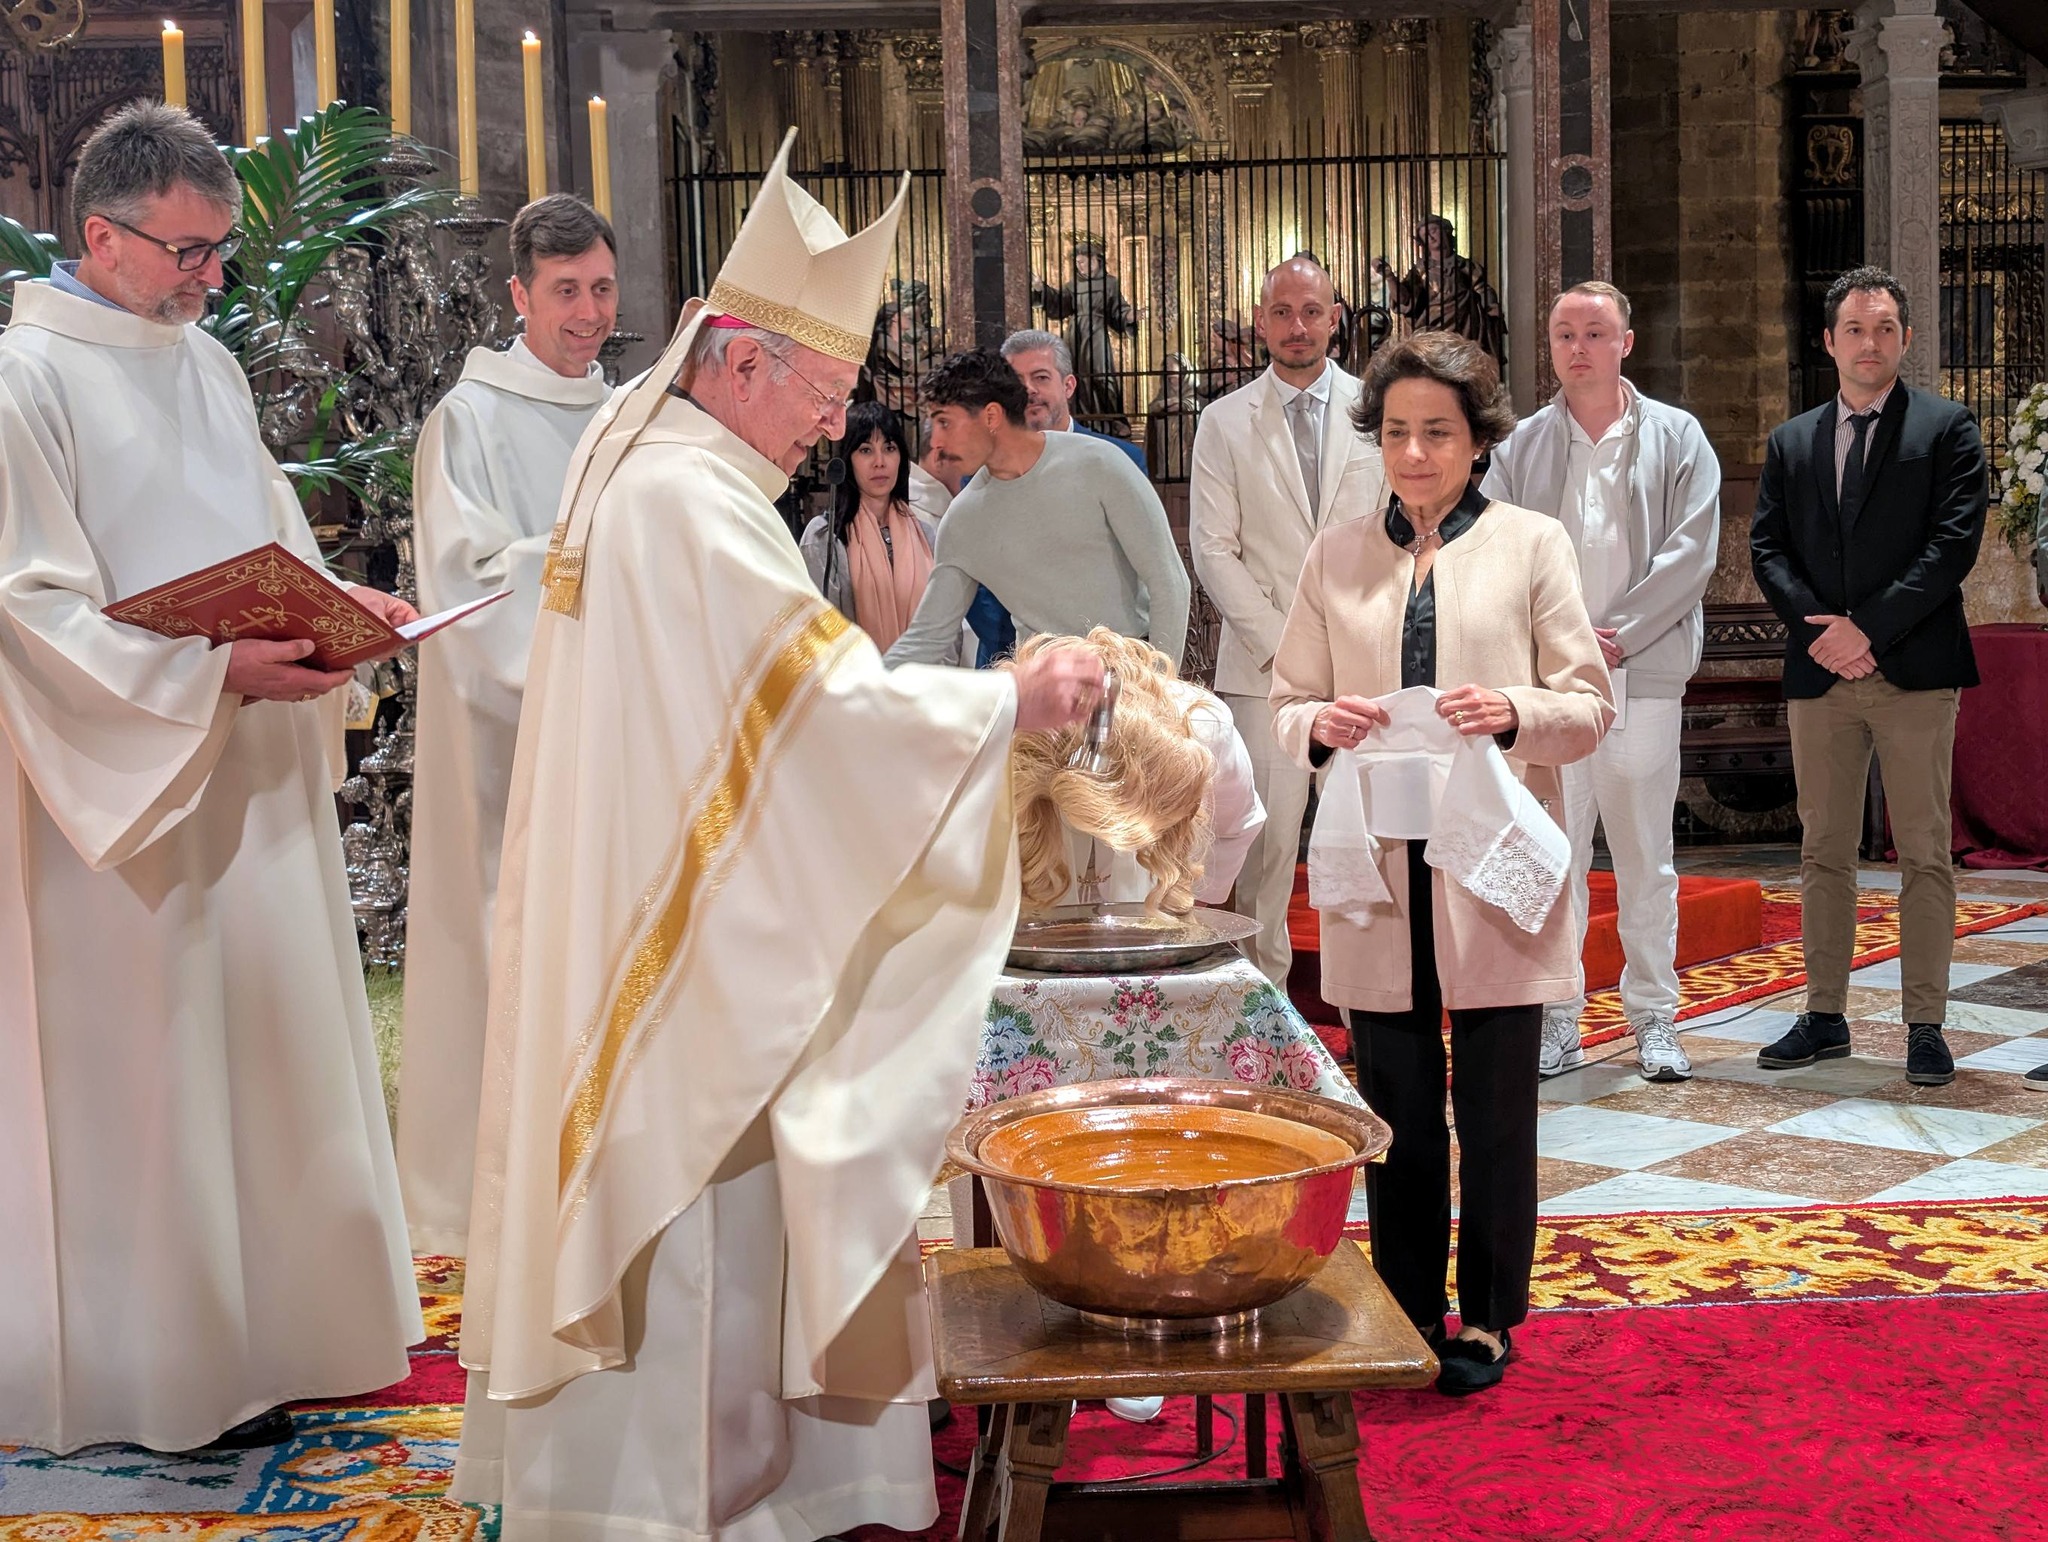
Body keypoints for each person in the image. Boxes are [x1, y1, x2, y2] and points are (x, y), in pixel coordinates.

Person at [450, 130, 1104, 1542]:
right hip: (689, 949)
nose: (828, 426)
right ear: (739, 360)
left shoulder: (640, 456)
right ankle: (683, 1504)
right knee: (706, 1233)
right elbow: (821, 719)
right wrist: (1008, 698)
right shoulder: (692, 502)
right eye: (817, 394)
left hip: (641, 896)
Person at [0, 102, 422, 1453]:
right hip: (123, 803)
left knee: (270, 1053)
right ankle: (165, 1372)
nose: (213, 276)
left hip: (247, 773)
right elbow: (27, 613)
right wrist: (201, 676)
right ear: (101, 235)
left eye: (220, 248)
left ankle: (283, 1332)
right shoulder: (25, 383)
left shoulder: (209, 365)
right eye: (188, 251)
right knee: (161, 1075)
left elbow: (266, 538)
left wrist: (335, 608)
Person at [1270, 331, 1609, 1395]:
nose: (1414, 453)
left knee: (1497, 1109)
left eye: (1438, 433)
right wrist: (1318, 723)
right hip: (1375, 863)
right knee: (1400, 1106)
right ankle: (1408, 1306)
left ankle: (1490, 1318)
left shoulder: (1530, 544)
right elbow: (1285, 704)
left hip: (1487, 858)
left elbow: (1587, 706)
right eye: (1397, 433)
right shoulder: (1334, 555)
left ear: (1477, 442)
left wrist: (1510, 709)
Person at [399, 194, 617, 1257]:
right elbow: (470, 588)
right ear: (519, 295)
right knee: (515, 948)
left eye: (602, 289)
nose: (588, 314)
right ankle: (507, 1201)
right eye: (565, 291)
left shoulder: (630, 417)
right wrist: (609, 568)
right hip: (512, 744)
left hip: (618, 738)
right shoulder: (469, 419)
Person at [1750, 266, 1988, 1087]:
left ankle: (1925, 1024)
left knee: (1924, 850)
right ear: (1829, 341)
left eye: (1885, 328)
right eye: (1854, 328)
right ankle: (1824, 1015)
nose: (1870, 342)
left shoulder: (1946, 428)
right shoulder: (1791, 441)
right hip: (1822, 674)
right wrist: (1824, 635)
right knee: (1823, 849)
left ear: (1906, 338)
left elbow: (1952, 546)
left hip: (1914, 670)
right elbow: (1768, 550)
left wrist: (1869, 630)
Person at [1482, 281, 1722, 1083]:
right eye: (1564, 334)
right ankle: (1558, 1019)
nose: (1578, 347)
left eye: (1594, 332)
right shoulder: (1520, 447)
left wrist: (1617, 635)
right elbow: (1493, 552)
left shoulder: (1677, 437)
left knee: (1645, 855)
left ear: (1626, 342)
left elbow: (1692, 553)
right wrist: (1563, 646)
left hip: (1639, 674)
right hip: (1552, 687)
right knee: (1554, 857)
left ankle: (1655, 1018)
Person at [1190, 254, 1388, 984]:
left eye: (1310, 311)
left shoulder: (1377, 411)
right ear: (1260, 322)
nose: (1296, 326)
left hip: (1364, 669)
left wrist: (1357, 640)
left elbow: (1398, 530)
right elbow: (1213, 549)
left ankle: (1367, 1003)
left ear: (1335, 318)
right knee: (1263, 854)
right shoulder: (1222, 421)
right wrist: (1289, 650)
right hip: (1262, 674)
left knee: (1366, 848)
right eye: (1281, 312)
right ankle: (1262, 1008)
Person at [883, 349, 1190, 670]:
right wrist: (860, 690)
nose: (936, 442)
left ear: (991, 417)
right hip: (1043, 685)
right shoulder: (962, 520)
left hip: (1131, 671)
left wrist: (1158, 684)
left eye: (945, 422)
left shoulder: (1098, 463)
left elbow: (1168, 580)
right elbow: (927, 638)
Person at [1009, 627, 1263, 915]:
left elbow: (1236, 825)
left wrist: (1195, 895)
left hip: (1159, 873)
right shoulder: (1007, 739)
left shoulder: (1205, 732)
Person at [800, 400, 948, 655]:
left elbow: (946, 626)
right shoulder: (824, 536)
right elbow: (819, 631)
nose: (880, 462)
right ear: (847, 459)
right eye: (866, 450)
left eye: (889, 448)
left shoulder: (926, 534)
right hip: (856, 676)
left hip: (927, 676)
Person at [1001, 326, 1148, 473]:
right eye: (1016, 381)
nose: (1028, 389)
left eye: (1041, 377)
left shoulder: (1121, 459)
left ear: (1068, 386)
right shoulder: (993, 464)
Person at [1034, 236, 1138, 436]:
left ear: (1095, 260)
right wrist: (1042, 289)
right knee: (1077, 376)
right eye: (1077, 263)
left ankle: (1113, 419)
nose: (1079, 266)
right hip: (1075, 334)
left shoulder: (1110, 283)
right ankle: (1081, 420)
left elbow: (1118, 309)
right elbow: (1060, 305)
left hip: (1097, 333)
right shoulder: (1073, 285)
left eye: (1082, 261)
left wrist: (1128, 316)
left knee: (1102, 375)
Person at [1374, 216, 1506, 367]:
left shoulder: (1466, 266)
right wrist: (1390, 277)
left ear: (1446, 231)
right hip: (1431, 329)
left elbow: (1483, 290)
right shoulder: (1420, 271)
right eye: (1425, 235)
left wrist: (1492, 308)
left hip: (1465, 329)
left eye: (1433, 230)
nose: (1430, 237)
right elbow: (1404, 300)